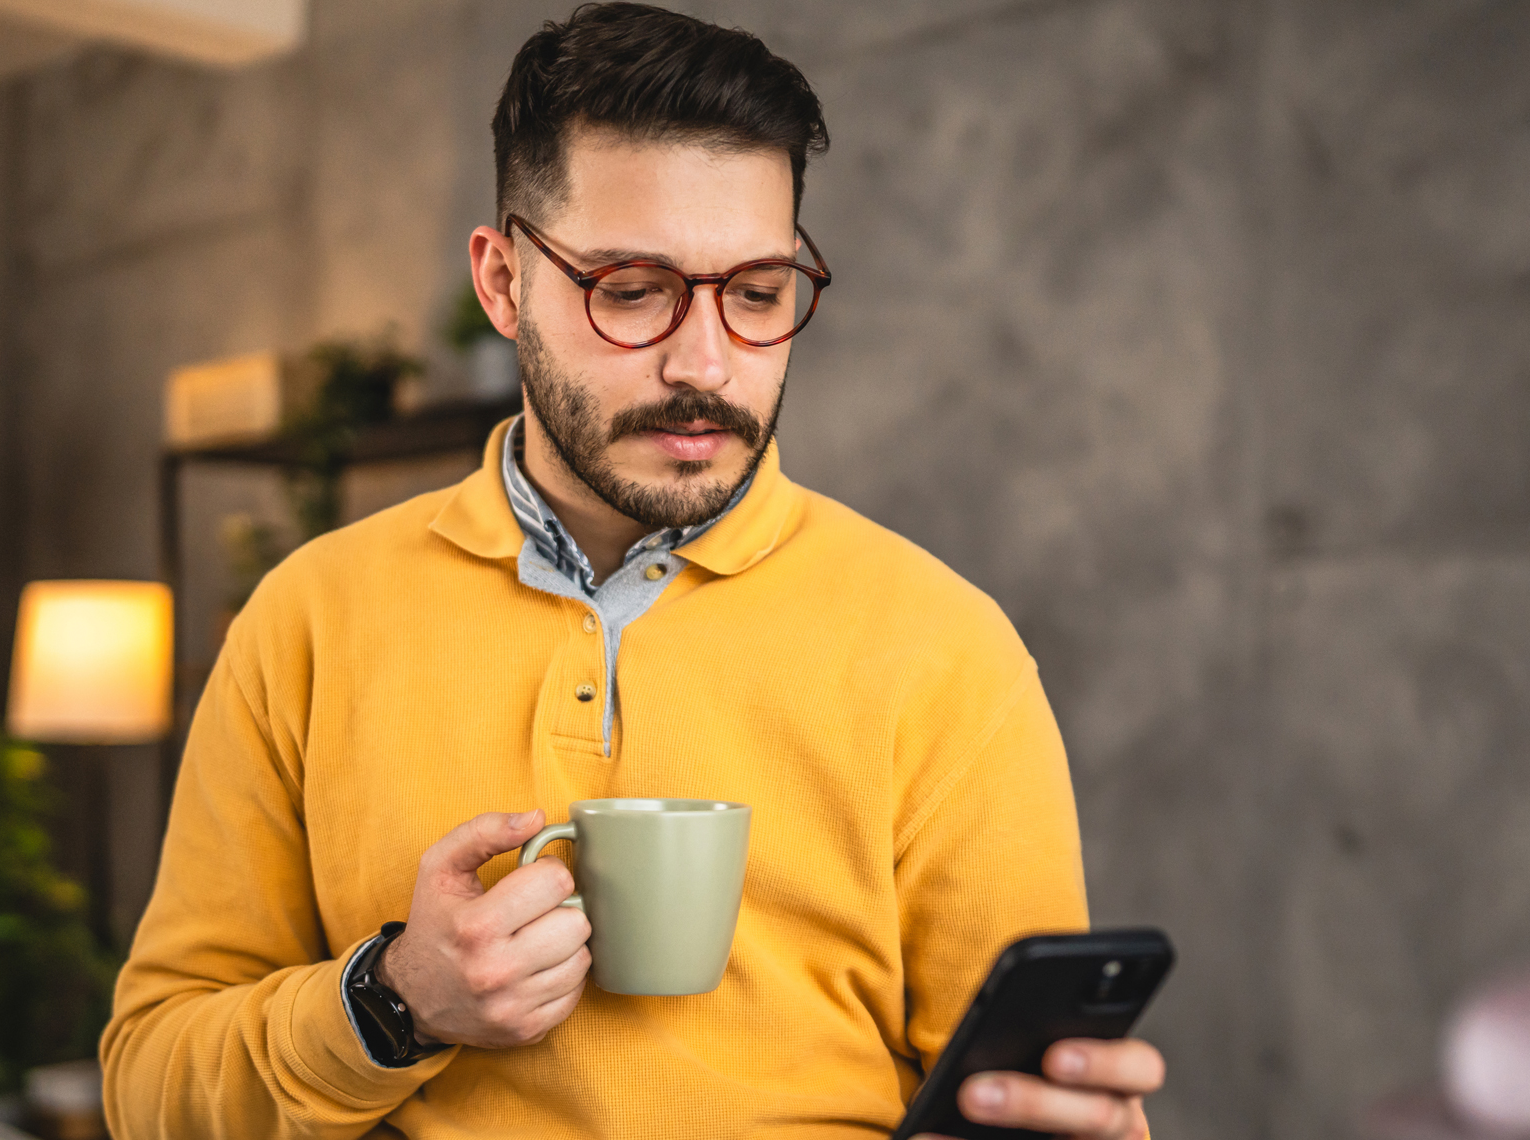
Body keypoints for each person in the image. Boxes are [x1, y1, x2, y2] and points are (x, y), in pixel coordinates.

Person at [101, 5, 1168, 1138]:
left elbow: (1030, 1100)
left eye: (757, 294)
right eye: (631, 290)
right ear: (503, 282)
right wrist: (394, 1001)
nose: (705, 364)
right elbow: (147, 1088)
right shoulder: (309, 620)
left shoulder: (946, 651)